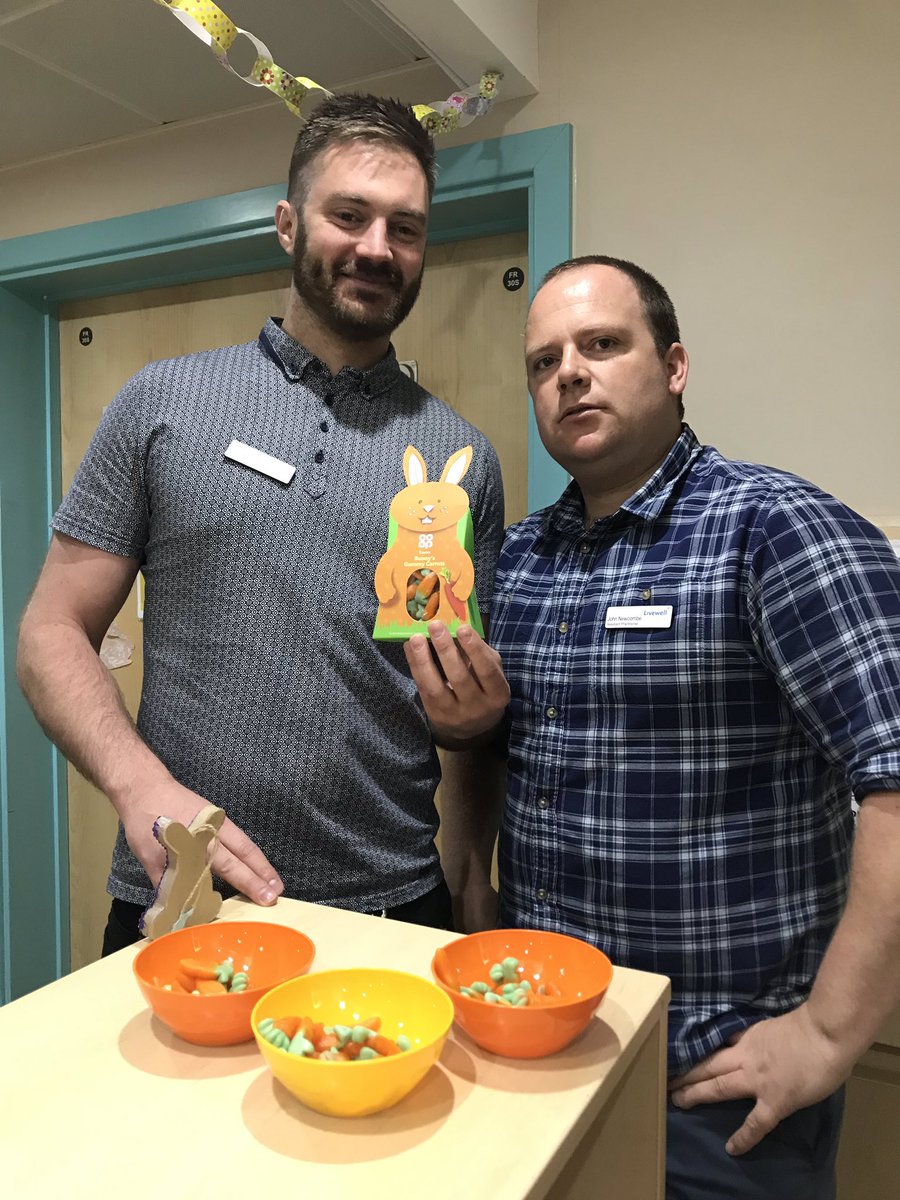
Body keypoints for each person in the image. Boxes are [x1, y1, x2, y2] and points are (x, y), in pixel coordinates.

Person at [404, 255, 900, 1198]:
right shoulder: (516, 561)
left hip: (711, 1088)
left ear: (673, 367)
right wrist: (471, 889)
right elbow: (493, 752)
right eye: (544, 361)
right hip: (532, 1047)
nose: (570, 375)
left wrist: (830, 1034)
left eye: (602, 345)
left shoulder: (776, 528)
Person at [16, 93, 504, 954]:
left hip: (392, 909)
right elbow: (50, 629)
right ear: (288, 224)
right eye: (348, 216)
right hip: (183, 892)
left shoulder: (462, 458)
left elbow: (456, 715)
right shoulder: (161, 402)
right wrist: (138, 786)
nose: (376, 248)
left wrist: (471, 772)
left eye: (406, 227)